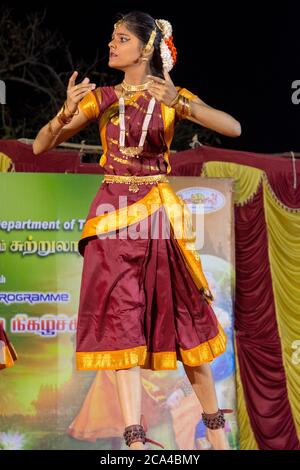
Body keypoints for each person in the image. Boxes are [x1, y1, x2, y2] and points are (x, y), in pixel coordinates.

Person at [33, 11, 241, 450]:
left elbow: (232, 127)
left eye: (121, 38)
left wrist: (181, 103)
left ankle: (216, 434)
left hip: (157, 218)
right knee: (122, 321)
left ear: (146, 49)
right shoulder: (102, 98)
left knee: (185, 318)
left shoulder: (170, 94)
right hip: (113, 218)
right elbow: (40, 144)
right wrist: (64, 112)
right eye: (112, 37)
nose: (112, 45)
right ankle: (134, 439)